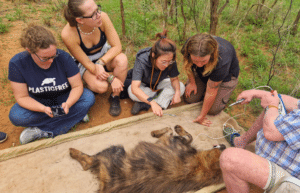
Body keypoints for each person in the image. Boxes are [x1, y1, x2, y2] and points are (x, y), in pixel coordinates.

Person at [8, 24, 95, 145]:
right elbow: (22, 97)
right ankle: (75, 117)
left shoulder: (63, 57)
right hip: (39, 104)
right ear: (29, 51)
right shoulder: (17, 63)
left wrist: (69, 103)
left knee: (88, 97)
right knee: (16, 116)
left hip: (65, 99)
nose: (51, 61)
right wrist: (42, 108)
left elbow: (77, 86)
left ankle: (42, 131)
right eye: (45, 58)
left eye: (53, 56)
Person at [220, 89, 300, 193]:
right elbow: (290, 102)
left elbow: (271, 132)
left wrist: (271, 106)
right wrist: (255, 93)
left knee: (229, 159)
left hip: (293, 179)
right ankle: (240, 142)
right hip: (285, 162)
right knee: (275, 105)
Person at [62, 0, 128, 116]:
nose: (99, 15)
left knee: (122, 60)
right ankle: (88, 85)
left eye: (97, 9)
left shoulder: (103, 18)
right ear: (80, 20)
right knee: (101, 87)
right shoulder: (68, 34)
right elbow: (87, 63)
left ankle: (115, 96)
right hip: (85, 62)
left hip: (104, 55)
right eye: (93, 14)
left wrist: (100, 63)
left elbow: (117, 47)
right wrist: (111, 78)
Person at [181, 33, 239, 126]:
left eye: (203, 61)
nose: (199, 64)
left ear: (212, 54)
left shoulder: (223, 58)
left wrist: (201, 116)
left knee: (212, 110)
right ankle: (202, 87)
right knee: (190, 99)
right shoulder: (189, 45)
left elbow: (212, 89)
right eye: (195, 60)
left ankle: (223, 92)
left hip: (225, 79)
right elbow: (187, 64)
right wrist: (192, 82)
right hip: (202, 74)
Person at [128, 29, 185, 117]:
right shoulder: (141, 59)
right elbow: (135, 88)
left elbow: (174, 79)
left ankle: (146, 104)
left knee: (181, 87)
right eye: (163, 62)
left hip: (159, 83)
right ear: (154, 55)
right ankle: (157, 101)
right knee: (131, 92)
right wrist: (151, 101)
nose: (166, 65)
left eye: (169, 62)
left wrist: (177, 92)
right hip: (144, 86)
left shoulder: (170, 59)